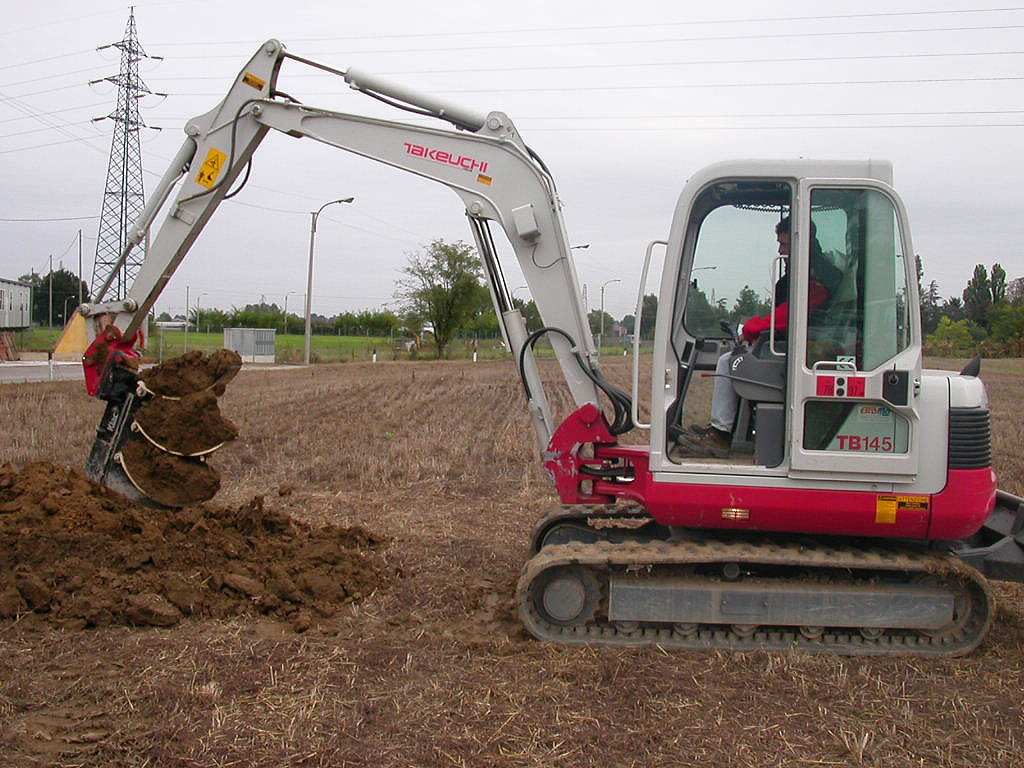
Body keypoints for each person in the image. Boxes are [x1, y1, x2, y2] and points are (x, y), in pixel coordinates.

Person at [678, 215, 839, 458]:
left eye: (784, 245)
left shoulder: (817, 277)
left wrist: (750, 330)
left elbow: (791, 315)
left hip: (807, 349)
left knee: (728, 362)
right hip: (802, 343)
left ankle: (721, 435)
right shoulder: (813, 270)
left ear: (802, 241)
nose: (780, 250)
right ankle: (723, 430)